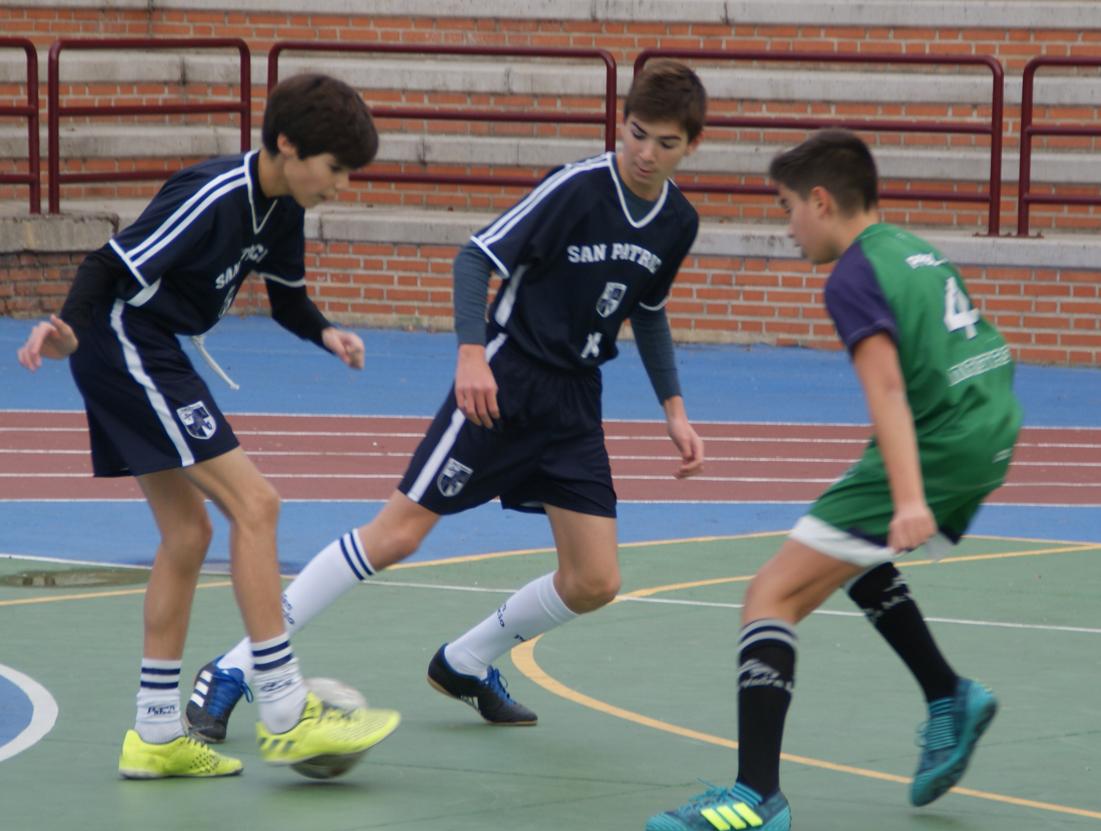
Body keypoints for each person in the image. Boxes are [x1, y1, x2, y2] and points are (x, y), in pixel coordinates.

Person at [183, 60, 708, 742]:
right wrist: (470, 354)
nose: (644, 152)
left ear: (690, 147)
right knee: (396, 534)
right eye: (636, 134)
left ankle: (465, 661)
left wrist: (673, 408)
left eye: (664, 143)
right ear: (622, 123)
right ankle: (231, 669)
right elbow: (475, 258)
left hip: (575, 399)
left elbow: (651, 311)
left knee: (595, 579)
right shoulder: (577, 188)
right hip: (505, 380)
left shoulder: (677, 222)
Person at [16, 73, 401, 778]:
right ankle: (284, 710)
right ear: (287, 145)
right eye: (336, 168)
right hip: (126, 341)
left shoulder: (282, 208)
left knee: (188, 533)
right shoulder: (214, 193)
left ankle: (155, 736)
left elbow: (287, 302)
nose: (342, 184)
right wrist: (65, 328)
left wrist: (326, 334)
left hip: (151, 348)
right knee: (255, 503)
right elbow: (109, 264)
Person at [646, 129, 1022, 831]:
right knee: (852, 556)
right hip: (988, 422)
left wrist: (909, 496)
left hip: (940, 441)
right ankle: (948, 694)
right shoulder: (911, 248)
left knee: (770, 595)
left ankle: (755, 796)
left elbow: (883, 386)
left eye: (788, 207)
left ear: (821, 201)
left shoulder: (851, 274)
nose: (786, 226)